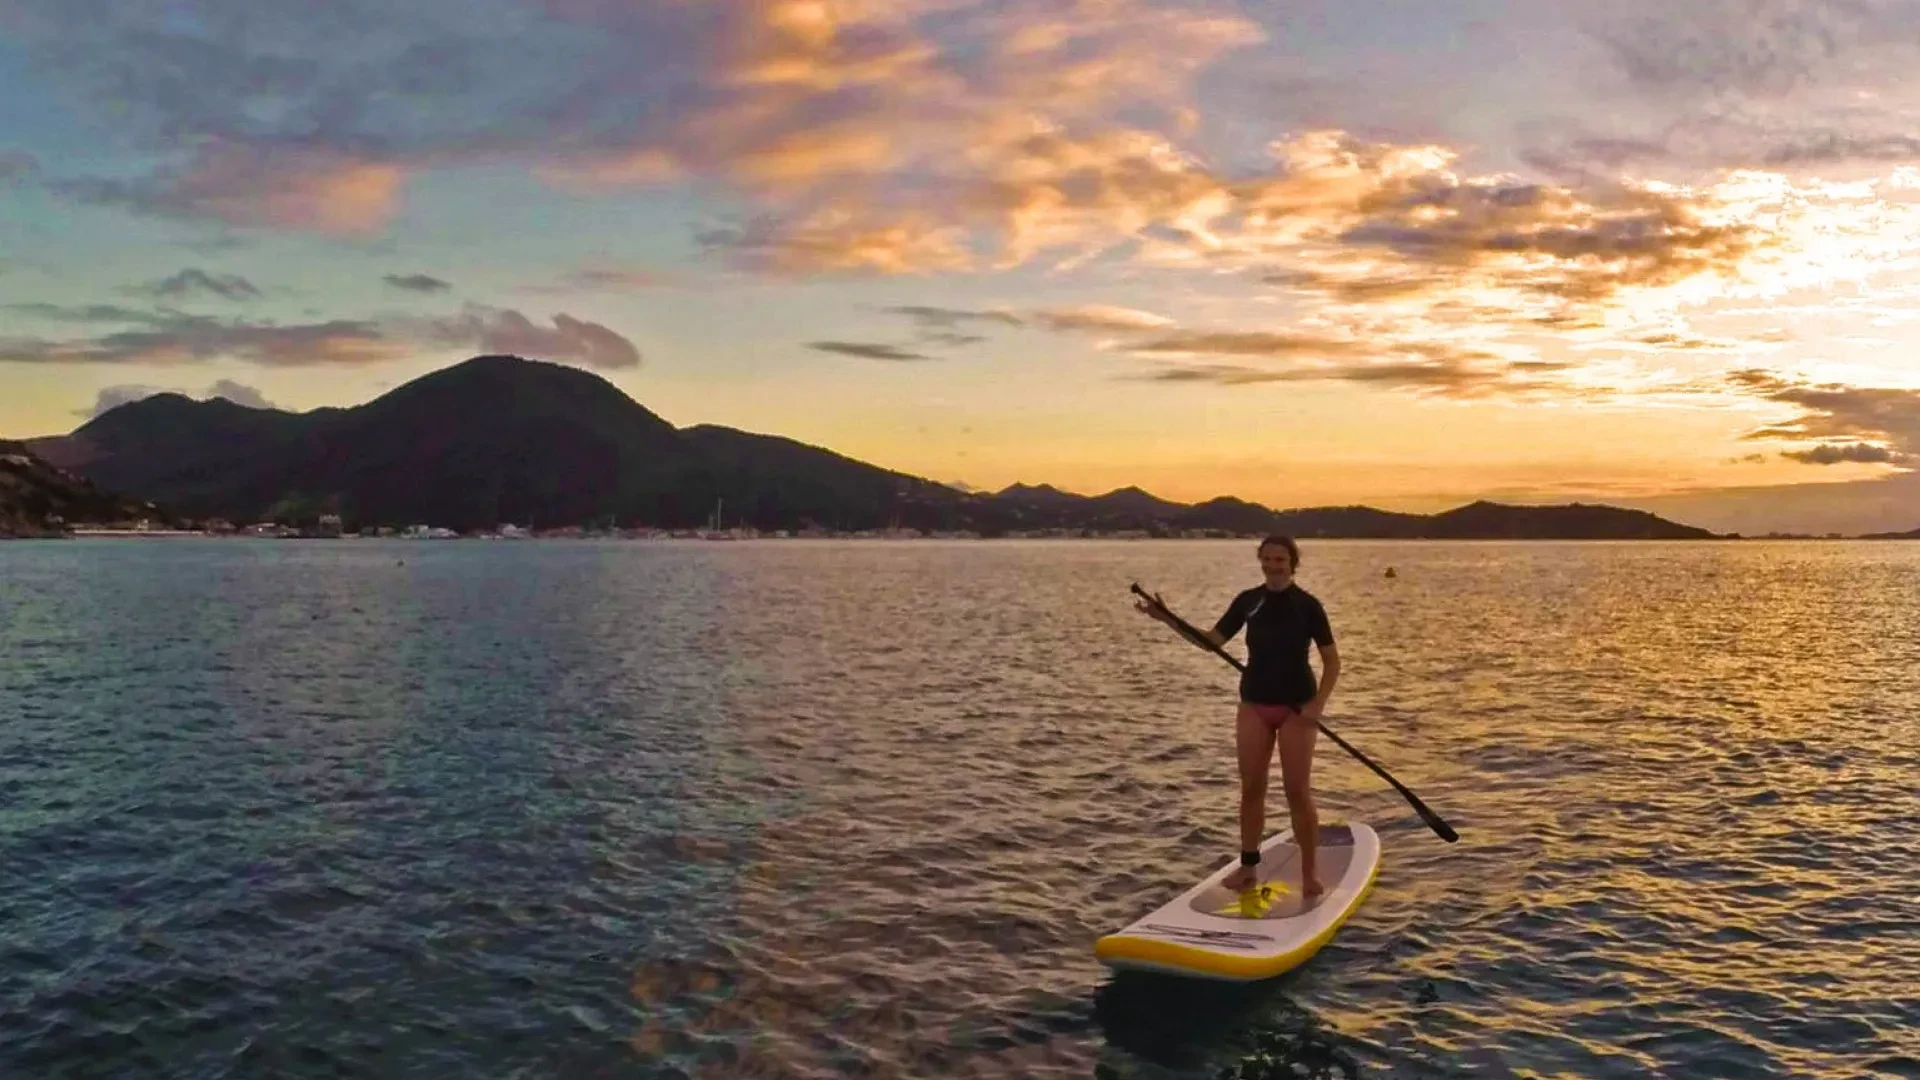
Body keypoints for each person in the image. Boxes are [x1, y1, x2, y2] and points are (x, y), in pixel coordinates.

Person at [1136, 534, 1340, 896]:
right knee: (1251, 788)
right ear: (1260, 561)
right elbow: (1211, 642)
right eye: (1267, 559)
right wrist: (1167, 619)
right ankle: (1248, 869)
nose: (1273, 565)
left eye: (1280, 560)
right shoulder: (1249, 601)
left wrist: (1316, 706)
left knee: (1296, 791)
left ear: (1293, 563)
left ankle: (1309, 874)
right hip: (1254, 704)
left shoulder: (1308, 606)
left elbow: (1331, 662)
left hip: (1297, 708)